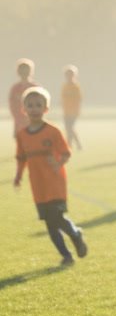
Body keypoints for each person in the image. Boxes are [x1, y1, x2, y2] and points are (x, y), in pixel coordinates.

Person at [13, 86, 88, 265]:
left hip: (55, 184)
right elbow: (21, 158)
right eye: (30, 105)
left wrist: (58, 162)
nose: (34, 109)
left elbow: (66, 153)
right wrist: (18, 176)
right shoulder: (22, 135)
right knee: (49, 223)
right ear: (24, 109)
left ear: (46, 109)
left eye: (38, 105)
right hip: (38, 186)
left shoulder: (53, 131)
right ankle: (66, 255)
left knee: (57, 218)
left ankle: (75, 235)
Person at [9, 58, 35, 135]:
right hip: (19, 122)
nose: (24, 72)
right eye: (22, 70)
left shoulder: (35, 87)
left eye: (26, 70)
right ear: (18, 72)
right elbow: (12, 105)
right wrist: (18, 119)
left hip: (33, 121)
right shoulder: (15, 88)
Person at [61, 65, 83, 150]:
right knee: (68, 128)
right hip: (66, 111)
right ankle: (72, 145)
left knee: (70, 128)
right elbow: (63, 98)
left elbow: (79, 99)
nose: (69, 76)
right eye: (67, 74)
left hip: (74, 111)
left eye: (70, 74)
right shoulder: (65, 86)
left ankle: (71, 144)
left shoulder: (76, 87)